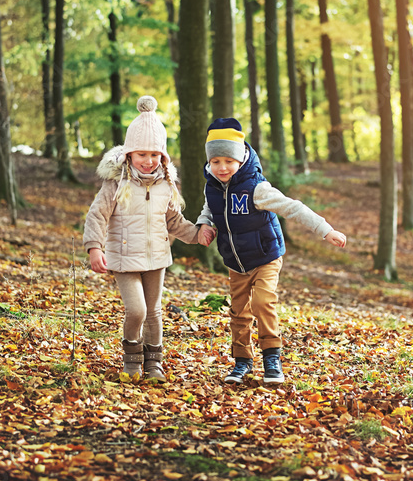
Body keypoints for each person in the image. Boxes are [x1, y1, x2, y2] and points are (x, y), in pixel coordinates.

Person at [196, 118, 348, 384]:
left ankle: (271, 359)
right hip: (235, 261)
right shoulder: (211, 185)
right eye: (216, 161)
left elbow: (294, 208)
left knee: (262, 303)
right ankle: (242, 362)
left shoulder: (257, 188)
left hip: (266, 256)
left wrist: (326, 230)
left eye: (228, 161)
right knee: (239, 311)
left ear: (241, 158)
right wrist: (204, 224)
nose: (222, 167)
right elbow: (209, 208)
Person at [83, 96, 202, 382]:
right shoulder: (116, 183)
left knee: (154, 313)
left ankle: (154, 365)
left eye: (154, 155)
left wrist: (198, 234)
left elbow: (174, 221)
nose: (148, 161)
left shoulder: (165, 185)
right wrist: (94, 248)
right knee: (137, 310)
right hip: (123, 259)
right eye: (141, 155)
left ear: (162, 156)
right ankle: (132, 358)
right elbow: (97, 215)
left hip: (156, 259)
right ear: (128, 155)